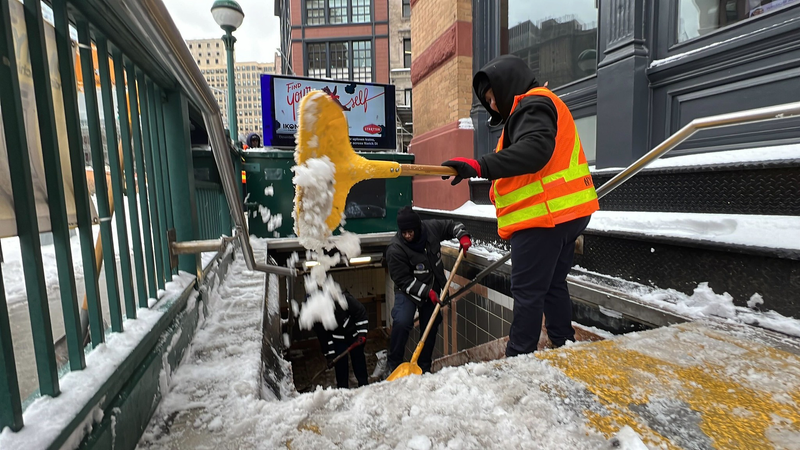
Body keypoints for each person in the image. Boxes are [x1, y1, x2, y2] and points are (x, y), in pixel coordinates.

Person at [441, 54, 599, 357]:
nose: (493, 105)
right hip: (567, 214)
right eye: (487, 101)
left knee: (527, 292)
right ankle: (563, 342)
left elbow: (535, 150)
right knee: (553, 284)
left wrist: (480, 165)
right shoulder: (537, 106)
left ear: (507, 84)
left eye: (493, 97)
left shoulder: (532, 104)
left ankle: (517, 359)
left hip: (543, 218)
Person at [385, 206, 472, 374]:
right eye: (404, 232)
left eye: (410, 232)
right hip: (408, 291)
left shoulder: (431, 229)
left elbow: (452, 225)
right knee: (402, 322)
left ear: (417, 228)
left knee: (431, 325)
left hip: (433, 287)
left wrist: (463, 236)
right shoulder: (395, 249)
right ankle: (393, 364)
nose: (407, 236)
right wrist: (427, 292)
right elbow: (403, 280)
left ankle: (423, 366)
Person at [312, 290, 370, 388]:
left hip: (354, 335)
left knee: (359, 361)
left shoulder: (344, 300)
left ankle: (364, 385)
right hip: (337, 340)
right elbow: (324, 337)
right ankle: (342, 390)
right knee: (340, 366)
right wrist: (330, 356)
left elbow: (361, 313)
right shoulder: (318, 317)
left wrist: (362, 334)